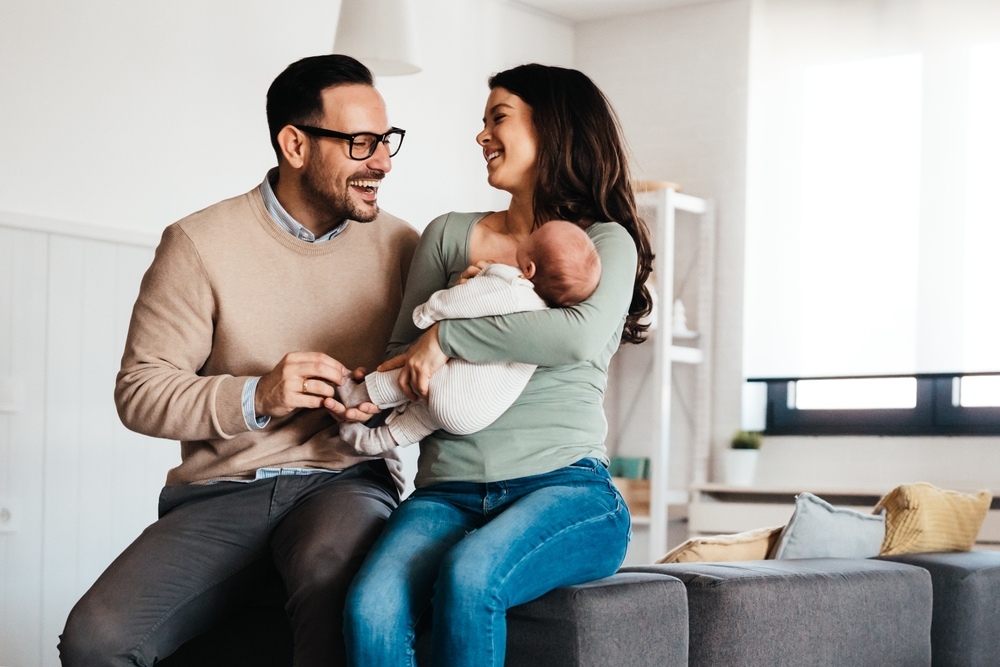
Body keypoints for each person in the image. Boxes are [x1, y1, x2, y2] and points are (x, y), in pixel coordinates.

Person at [58, 54, 419, 667]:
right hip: (220, 494)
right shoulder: (198, 244)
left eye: (386, 141)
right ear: (295, 144)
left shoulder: (404, 246)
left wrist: (382, 397)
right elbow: (140, 391)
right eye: (360, 143)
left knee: (335, 585)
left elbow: (427, 378)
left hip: (344, 480)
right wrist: (258, 397)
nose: (381, 161)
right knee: (97, 641)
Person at [343, 63, 655, 667]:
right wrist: (369, 388)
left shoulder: (605, 240)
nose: (482, 135)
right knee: (369, 606)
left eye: (498, 118)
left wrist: (454, 333)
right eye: (484, 122)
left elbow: (577, 339)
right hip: (447, 493)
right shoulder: (448, 237)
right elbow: (400, 358)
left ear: (553, 129)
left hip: (567, 487)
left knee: (471, 573)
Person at [336, 219, 602, 454]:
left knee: (420, 372)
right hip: (475, 415)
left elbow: (463, 300)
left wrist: (428, 311)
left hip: (449, 390)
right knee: (424, 419)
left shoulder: (512, 284)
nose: (531, 233)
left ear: (529, 269)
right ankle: (376, 441)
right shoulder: (543, 319)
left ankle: (359, 394)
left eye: (536, 234)